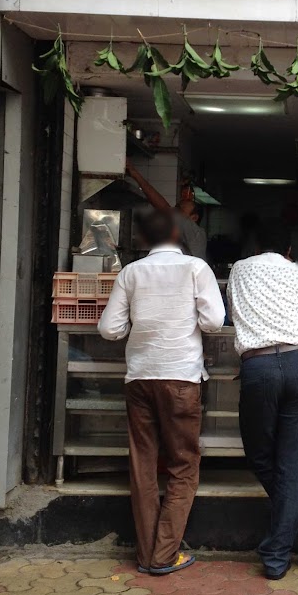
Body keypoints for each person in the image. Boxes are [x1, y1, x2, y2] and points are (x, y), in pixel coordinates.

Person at [97, 208, 225, 575]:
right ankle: (164, 554)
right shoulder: (195, 269)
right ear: (175, 233)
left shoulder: (130, 273)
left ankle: (146, 552)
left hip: (140, 378)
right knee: (184, 465)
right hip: (181, 378)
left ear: (142, 239)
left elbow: (110, 329)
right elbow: (214, 321)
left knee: (143, 466)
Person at [226, 222, 298, 580]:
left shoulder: (238, 270)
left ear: (255, 246)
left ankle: (277, 551)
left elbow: (232, 312)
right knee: (293, 463)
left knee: (261, 457)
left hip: (259, 367)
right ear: (289, 251)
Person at [125, 160, 208, 261]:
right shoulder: (180, 234)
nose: (174, 213)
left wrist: (135, 174)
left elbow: (164, 208)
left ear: (194, 218)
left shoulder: (195, 232)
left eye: (179, 211)